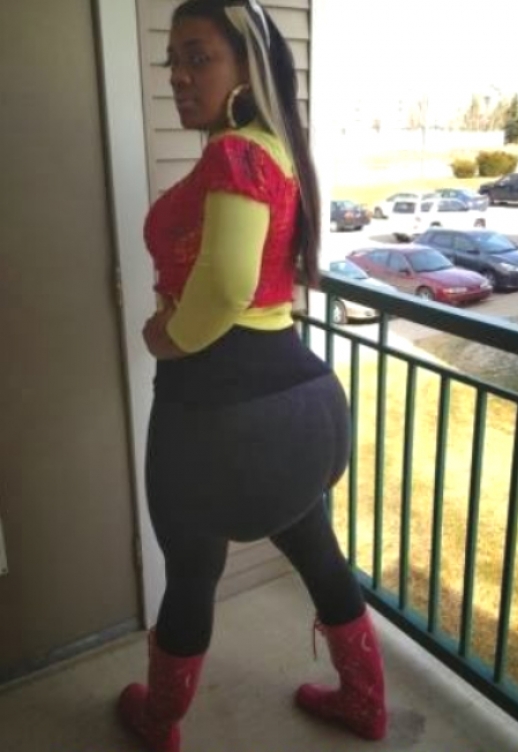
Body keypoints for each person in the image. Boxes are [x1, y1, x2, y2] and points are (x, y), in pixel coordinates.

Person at [117, 1, 387, 750]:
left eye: (199, 56)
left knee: (191, 574)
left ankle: (159, 721)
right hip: (306, 406)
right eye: (172, 59)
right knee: (318, 550)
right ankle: (366, 702)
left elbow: (229, 284)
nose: (179, 74)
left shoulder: (235, 152)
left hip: (219, 418)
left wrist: (170, 338)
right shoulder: (278, 148)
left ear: (248, 63)